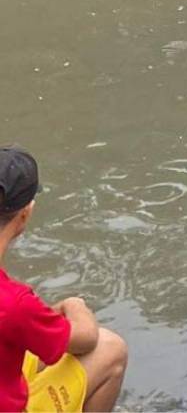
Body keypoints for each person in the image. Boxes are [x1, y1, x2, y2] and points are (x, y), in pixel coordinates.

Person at [0, 146, 128, 413]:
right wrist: (74, 305)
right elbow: (86, 339)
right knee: (110, 349)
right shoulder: (14, 303)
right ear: (25, 213)